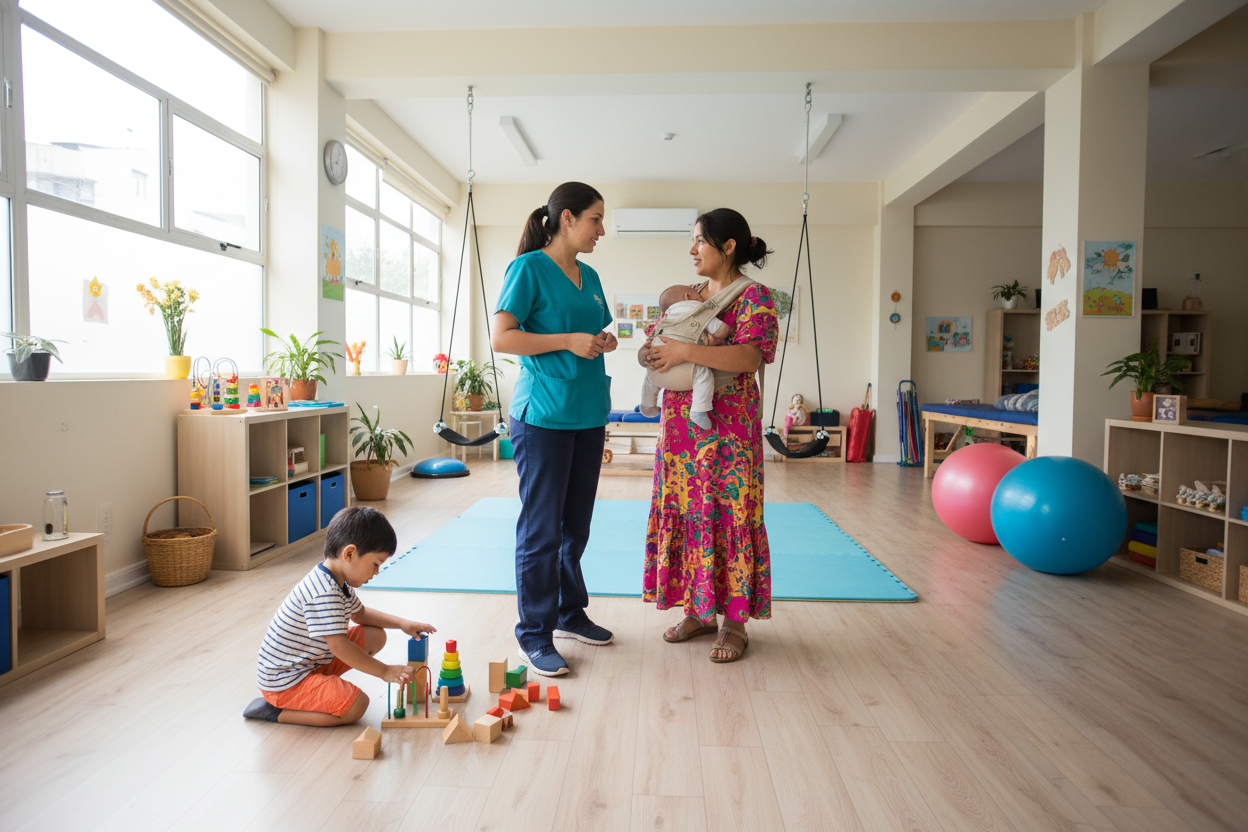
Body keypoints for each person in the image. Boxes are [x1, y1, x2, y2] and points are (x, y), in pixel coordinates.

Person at [491, 181, 619, 677]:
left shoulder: (589, 275)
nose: (600, 230)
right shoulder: (528, 269)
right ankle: (534, 633)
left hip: (588, 411)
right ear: (567, 218)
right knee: (541, 529)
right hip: (543, 414)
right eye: (595, 219)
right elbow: (502, 336)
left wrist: (600, 340)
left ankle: (568, 612)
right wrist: (569, 339)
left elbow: (593, 329)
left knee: (575, 526)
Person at [640, 208, 778, 663]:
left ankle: (735, 623)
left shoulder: (755, 297)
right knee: (686, 512)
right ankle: (698, 612)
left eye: (700, 240)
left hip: (730, 432)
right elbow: (661, 341)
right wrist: (653, 351)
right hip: (679, 431)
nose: (692, 249)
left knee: (730, 515)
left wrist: (685, 349)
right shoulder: (685, 297)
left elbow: (749, 359)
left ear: (729, 246)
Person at [244, 506, 435, 726]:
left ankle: (317, 686)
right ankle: (275, 711)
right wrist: (385, 671)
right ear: (350, 554)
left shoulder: (336, 580)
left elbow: (360, 615)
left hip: (310, 662)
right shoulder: (323, 592)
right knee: (356, 706)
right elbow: (339, 647)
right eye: (375, 564)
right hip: (286, 682)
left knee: (375, 635)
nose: (376, 572)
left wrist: (403, 623)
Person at [639, 282, 734, 429]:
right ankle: (699, 410)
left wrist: (644, 355)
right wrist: (723, 333)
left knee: (649, 380)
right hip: (688, 372)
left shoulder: (664, 319)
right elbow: (721, 331)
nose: (702, 299)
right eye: (699, 296)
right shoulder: (700, 311)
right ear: (688, 297)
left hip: (658, 369)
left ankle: (647, 405)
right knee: (704, 376)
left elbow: (649, 342)